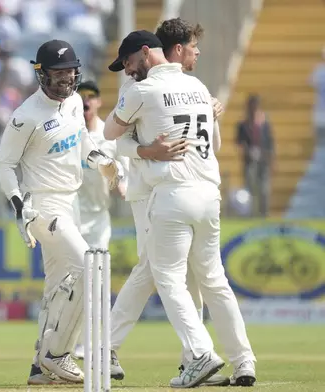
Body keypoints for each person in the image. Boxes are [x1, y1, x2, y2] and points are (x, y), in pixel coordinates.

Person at [105, 30, 257, 388]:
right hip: (209, 194)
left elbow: (111, 132)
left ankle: (201, 354)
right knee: (214, 281)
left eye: (128, 63)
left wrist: (145, 149)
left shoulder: (142, 91)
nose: (127, 72)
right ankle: (244, 360)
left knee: (168, 278)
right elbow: (214, 143)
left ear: (145, 53)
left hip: (173, 194)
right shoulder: (199, 86)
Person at [0, 40, 124, 385]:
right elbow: (5, 165)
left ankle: (40, 365)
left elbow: (82, 141)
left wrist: (102, 162)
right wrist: (18, 206)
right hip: (42, 206)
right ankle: (57, 352)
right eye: (58, 73)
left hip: (70, 203)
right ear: (42, 74)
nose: (66, 79)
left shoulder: (74, 103)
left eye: (70, 72)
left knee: (56, 288)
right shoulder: (25, 116)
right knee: (90, 267)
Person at [70, 79, 128, 361]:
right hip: (71, 218)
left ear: (98, 101)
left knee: (98, 282)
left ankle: (92, 343)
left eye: (91, 96)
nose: (86, 102)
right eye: (81, 96)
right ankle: (63, 344)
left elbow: (122, 172)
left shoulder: (108, 137)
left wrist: (122, 183)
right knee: (70, 283)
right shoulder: (69, 134)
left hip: (98, 220)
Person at [236, 94, 274, 217]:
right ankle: (251, 215)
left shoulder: (264, 124)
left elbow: (270, 142)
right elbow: (239, 142)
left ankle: (264, 215)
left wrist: (271, 159)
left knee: (264, 189)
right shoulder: (243, 124)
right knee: (250, 189)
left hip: (263, 160)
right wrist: (247, 151)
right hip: (249, 160)